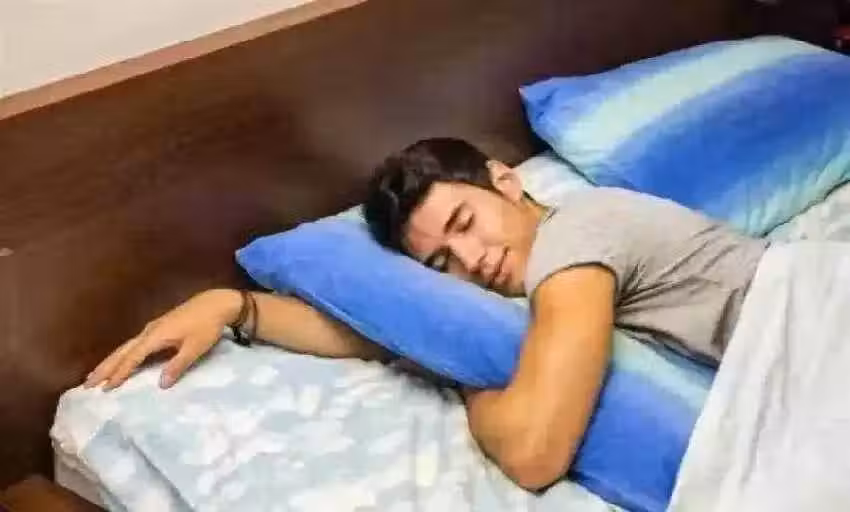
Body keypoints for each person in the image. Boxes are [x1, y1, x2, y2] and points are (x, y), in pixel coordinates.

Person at [85, 137, 768, 491]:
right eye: (443, 262)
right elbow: (392, 333)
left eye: (465, 222)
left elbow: (534, 452)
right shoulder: (548, 276)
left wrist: (473, 388)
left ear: (506, 180)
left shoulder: (575, 238)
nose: (472, 260)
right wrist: (236, 306)